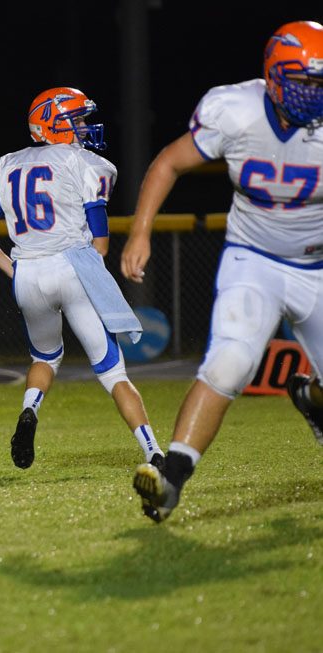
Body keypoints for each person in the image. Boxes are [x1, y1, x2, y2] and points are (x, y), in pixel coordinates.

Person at [122, 20, 323, 523]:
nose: (311, 94)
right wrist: (141, 231)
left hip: (318, 267)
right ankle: (170, 479)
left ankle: (309, 396)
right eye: (303, 81)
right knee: (231, 362)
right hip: (253, 259)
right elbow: (169, 162)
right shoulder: (236, 110)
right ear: (274, 76)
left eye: (319, 83)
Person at [0, 86, 164, 472]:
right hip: (72, 268)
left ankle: (29, 410)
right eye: (78, 120)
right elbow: (101, 243)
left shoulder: (6, 164)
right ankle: (153, 450)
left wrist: (12, 269)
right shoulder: (85, 163)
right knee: (112, 371)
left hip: (27, 276)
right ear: (53, 125)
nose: (86, 127)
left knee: (44, 357)